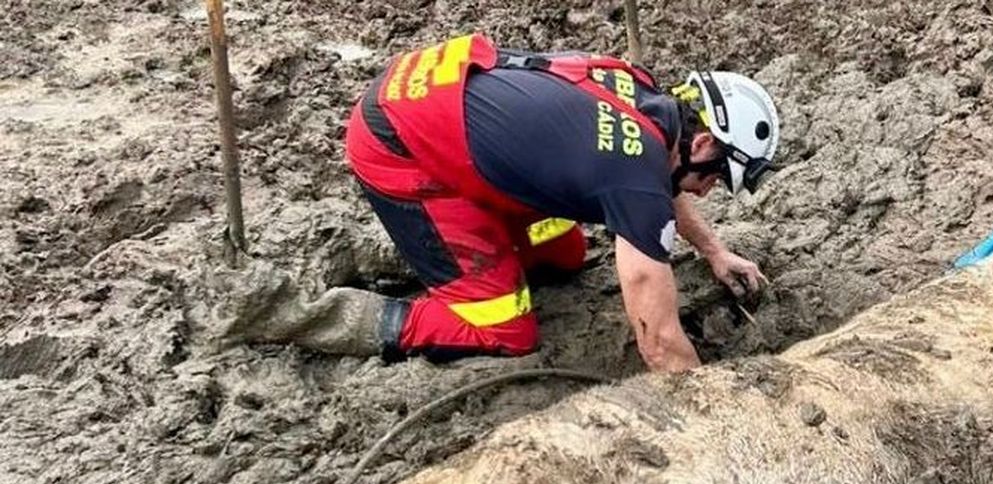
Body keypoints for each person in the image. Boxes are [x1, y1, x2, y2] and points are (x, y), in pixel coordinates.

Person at [265, 33, 779, 372]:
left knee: (566, 251)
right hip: (401, 149)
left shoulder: (643, 94)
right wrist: (710, 406)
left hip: (429, 98)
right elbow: (660, 345)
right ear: (704, 142)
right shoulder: (636, 178)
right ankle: (325, 315)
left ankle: (428, 253)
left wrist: (714, 251)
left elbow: (656, 187)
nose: (709, 189)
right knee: (505, 327)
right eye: (717, 176)